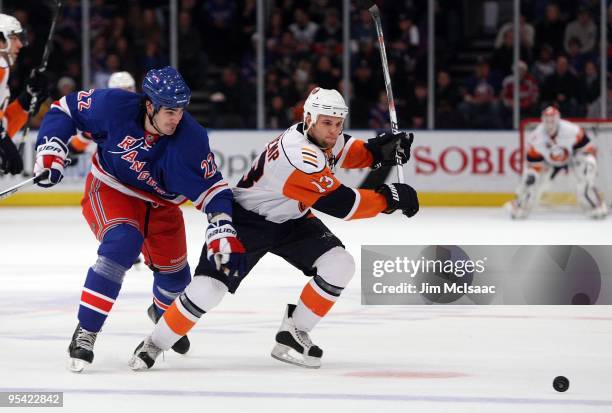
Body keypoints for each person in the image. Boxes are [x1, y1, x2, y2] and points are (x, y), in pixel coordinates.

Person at [128, 87, 419, 370]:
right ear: (308, 120)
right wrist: (389, 198)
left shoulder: (322, 136)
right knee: (208, 289)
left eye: (338, 124)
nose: (333, 130)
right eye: (327, 123)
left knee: (339, 264)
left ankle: (294, 333)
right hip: (248, 220)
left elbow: (351, 150)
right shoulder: (298, 156)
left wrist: (379, 151)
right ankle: (154, 343)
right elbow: (343, 205)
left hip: (291, 219)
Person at [33, 66, 246, 372]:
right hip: (112, 189)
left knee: (175, 278)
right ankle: (86, 331)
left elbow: (213, 189)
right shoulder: (113, 106)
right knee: (123, 242)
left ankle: (161, 314)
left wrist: (221, 222)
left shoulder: (192, 138)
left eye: (181, 111)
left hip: (162, 207)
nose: (177, 119)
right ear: (150, 105)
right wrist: (52, 148)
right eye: (170, 111)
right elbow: (64, 109)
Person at [510, 106, 607, 219]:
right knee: (529, 179)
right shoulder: (535, 137)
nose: (550, 124)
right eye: (547, 120)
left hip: (572, 159)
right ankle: (520, 207)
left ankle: (596, 206)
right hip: (547, 163)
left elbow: (587, 148)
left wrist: (588, 162)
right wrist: (532, 174)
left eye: (552, 120)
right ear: (542, 120)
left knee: (586, 176)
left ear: (558, 119)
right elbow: (534, 162)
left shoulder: (572, 130)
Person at [0, 13, 48, 175]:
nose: (20, 44)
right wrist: (3, 140)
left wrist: (25, 100)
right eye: (14, 37)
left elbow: (4, 123)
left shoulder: (3, 70)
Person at [68, 71, 136, 156]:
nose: (125, 94)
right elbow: (79, 143)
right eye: (121, 90)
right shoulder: (100, 111)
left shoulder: (143, 110)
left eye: (128, 88)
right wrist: (73, 150)